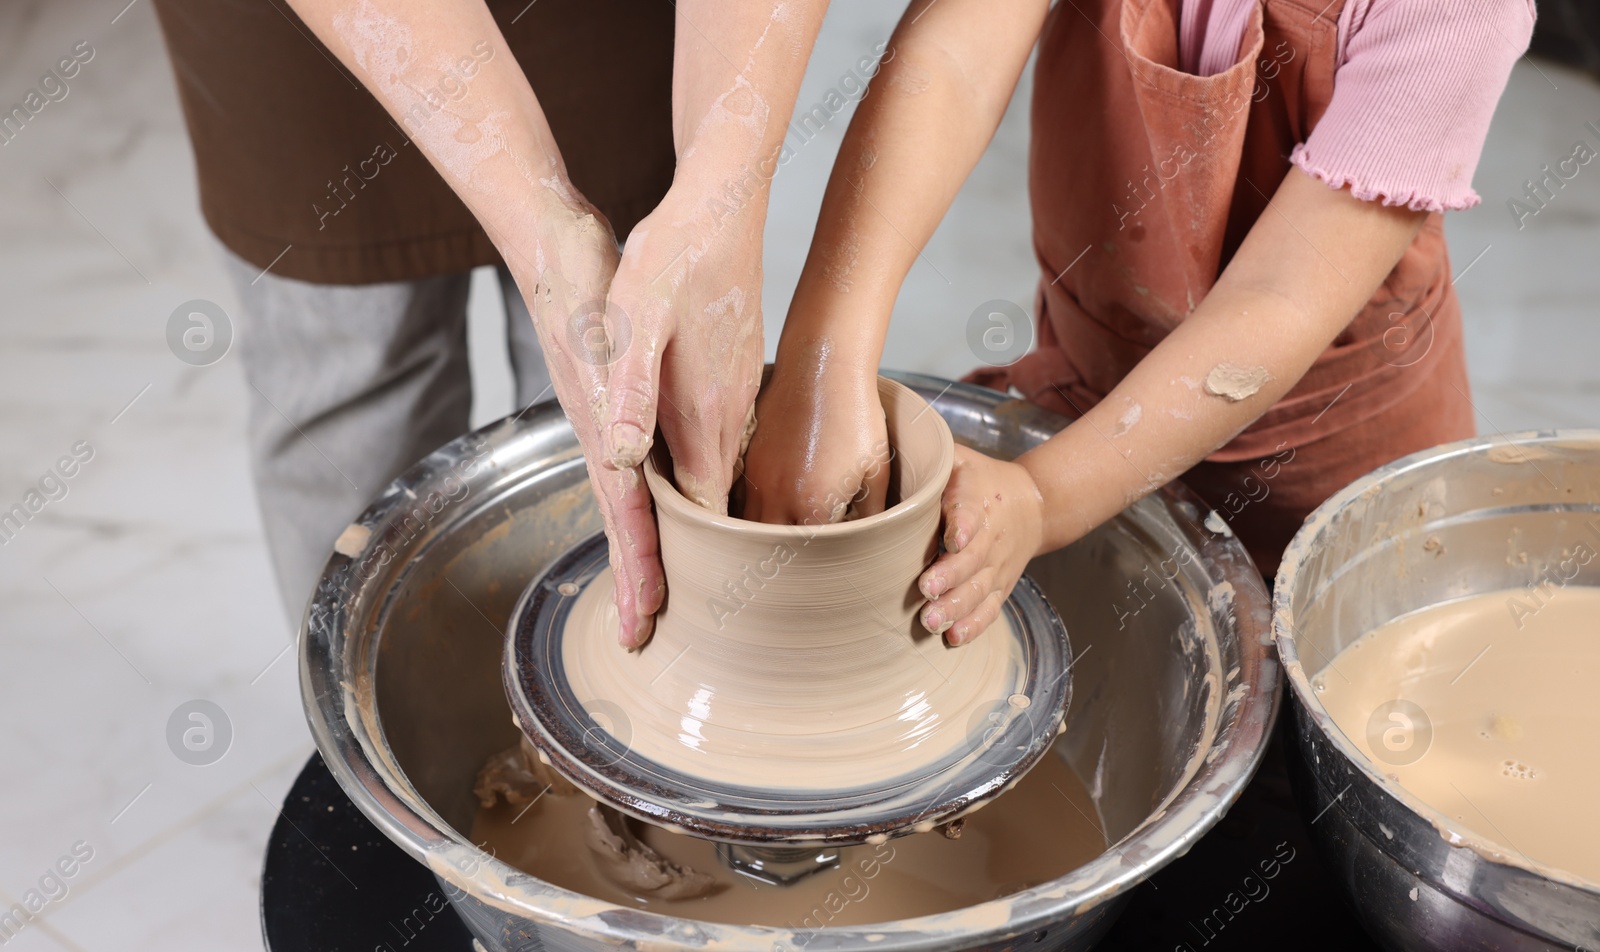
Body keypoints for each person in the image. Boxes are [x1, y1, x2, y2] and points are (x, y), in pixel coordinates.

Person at [741, 0, 1535, 647]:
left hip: (1326, 478)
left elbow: (1280, 300)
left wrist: (1044, 497)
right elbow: (954, 60)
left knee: (1296, 763)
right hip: (1091, 393)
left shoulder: (1456, 14)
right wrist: (824, 354)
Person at [152, 0, 827, 646]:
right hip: (313, 42)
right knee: (353, 380)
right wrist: (541, 226)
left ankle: (596, 679)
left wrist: (718, 199)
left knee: (621, 399)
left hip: (599, 24)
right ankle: (400, 686)